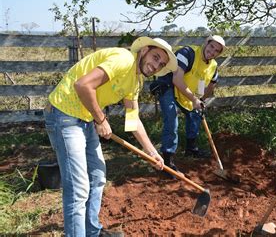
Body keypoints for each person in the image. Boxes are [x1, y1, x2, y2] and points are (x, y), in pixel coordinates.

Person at [44, 36, 177, 237]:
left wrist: (152, 153)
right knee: (78, 188)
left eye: (161, 64)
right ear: (144, 51)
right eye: (155, 57)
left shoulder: (135, 80)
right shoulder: (123, 60)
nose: (156, 65)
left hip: (86, 117)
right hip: (65, 114)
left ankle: (92, 231)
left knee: (97, 177)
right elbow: (83, 85)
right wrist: (101, 119)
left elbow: (133, 121)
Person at [150, 35, 226, 175]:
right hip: (169, 86)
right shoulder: (187, 53)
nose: (212, 51)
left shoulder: (213, 66)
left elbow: (211, 86)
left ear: (219, 54)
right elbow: (177, 79)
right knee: (172, 120)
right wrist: (194, 99)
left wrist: (201, 100)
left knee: (196, 114)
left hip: (186, 91)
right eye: (211, 46)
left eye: (216, 50)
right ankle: (168, 159)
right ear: (206, 43)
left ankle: (191, 148)